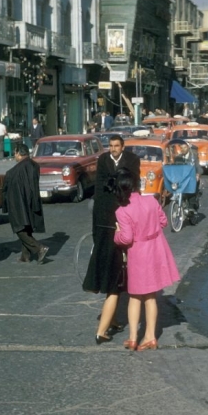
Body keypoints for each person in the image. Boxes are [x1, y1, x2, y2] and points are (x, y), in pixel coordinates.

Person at [112, 168, 180, 351]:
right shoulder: (151, 201)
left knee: (134, 297)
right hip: (155, 250)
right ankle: (150, 336)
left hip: (138, 253)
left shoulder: (122, 211)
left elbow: (126, 238)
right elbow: (163, 222)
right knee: (150, 297)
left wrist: (117, 235)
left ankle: (133, 338)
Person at [83, 134, 140, 343]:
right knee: (113, 271)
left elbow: (132, 185)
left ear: (123, 147)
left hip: (123, 212)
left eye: (117, 146)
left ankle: (112, 318)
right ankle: (107, 323)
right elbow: (100, 189)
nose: (113, 149)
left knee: (119, 272)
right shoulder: (103, 160)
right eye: (111, 146)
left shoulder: (132, 159)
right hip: (106, 220)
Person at [2, 143, 49, 264]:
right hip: (32, 201)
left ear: (18, 153)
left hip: (18, 204)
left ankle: (39, 248)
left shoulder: (12, 172)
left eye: (15, 153)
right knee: (27, 227)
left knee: (19, 229)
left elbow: (7, 191)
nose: (14, 156)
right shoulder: (35, 165)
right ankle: (25, 256)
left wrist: (5, 206)